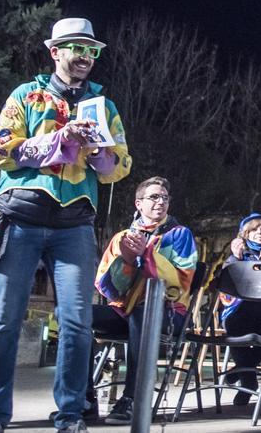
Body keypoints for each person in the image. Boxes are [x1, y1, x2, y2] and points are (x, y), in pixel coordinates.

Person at [0, 18, 132, 433]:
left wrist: (99, 152)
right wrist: (58, 140)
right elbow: (2, 150)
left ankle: (69, 415)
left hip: (74, 225)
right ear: (55, 52)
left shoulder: (104, 105)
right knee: (3, 322)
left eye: (92, 51)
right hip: (21, 217)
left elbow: (118, 167)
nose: (84, 57)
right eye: (76, 48)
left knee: (78, 325)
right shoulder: (26, 95)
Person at [90, 177, 196, 424]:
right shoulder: (122, 237)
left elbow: (179, 283)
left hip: (169, 312)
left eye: (165, 198)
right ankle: (82, 398)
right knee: (75, 314)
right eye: (154, 197)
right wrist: (126, 261)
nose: (161, 202)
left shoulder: (179, 235)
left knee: (142, 311)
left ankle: (132, 399)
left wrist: (145, 257)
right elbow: (109, 290)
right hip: (124, 310)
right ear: (139, 203)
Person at [220, 213, 261, 406]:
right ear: (245, 233)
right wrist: (238, 259)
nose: (260, 232)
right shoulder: (237, 257)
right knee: (235, 330)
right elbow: (227, 284)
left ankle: (241, 369)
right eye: (255, 228)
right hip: (241, 312)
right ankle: (249, 382)